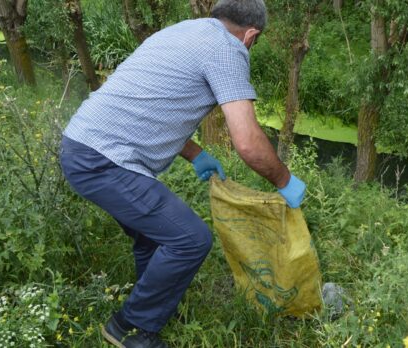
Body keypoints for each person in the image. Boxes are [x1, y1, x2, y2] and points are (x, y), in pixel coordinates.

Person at [58, 0, 306, 347]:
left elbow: (155, 106)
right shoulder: (228, 48)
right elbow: (248, 142)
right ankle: (130, 328)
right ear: (251, 35)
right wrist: (285, 181)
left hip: (83, 145)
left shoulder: (183, 31)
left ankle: (153, 309)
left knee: (153, 236)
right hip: (103, 161)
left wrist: (197, 154)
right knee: (191, 239)